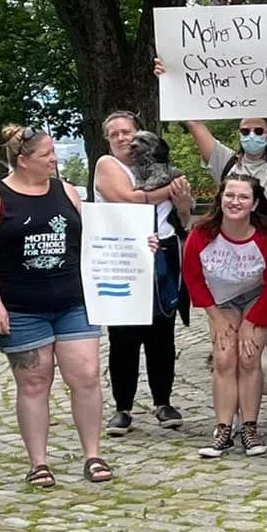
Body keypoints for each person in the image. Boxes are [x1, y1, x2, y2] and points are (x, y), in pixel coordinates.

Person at [155, 57, 267, 434]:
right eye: (244, 129)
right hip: (229, 267)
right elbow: (194, 122)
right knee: (230, 344)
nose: (250, 134)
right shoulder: (223, 161)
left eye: (258, 129)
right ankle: (233, 413)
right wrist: (171, 79)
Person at [0, 126, 113, 487]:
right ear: (23, 160)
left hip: (72, 302)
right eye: (47, 154)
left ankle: (93, 454)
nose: (55, 159)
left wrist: (137, 247)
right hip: (20, 306)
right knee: (34, 381)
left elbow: (92, 242)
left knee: (86, 376)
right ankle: (38, 461)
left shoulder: (65, 191)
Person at [91, 109, 195, 436]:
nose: (123, 138)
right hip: (124, 255)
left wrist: (182, 199)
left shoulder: (161, 166)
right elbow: (128, 200)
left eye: (128, 132)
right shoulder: (108, 166)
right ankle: (123, 407)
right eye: (115, 134)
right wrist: (171, 189)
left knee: (162, 332)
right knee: (124, 336)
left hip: (163, 249)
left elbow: (184, 213)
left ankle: (163, 402)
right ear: (107, 140)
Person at [181, 174, 267, 458]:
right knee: (224, 357)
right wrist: (213, 315)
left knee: (249, 355)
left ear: (253, 204)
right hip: (221, 298)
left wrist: (252, 322)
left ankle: (249, 428)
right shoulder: (201, 234)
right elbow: (192, 277)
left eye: (243, 197)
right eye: (229, 195)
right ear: (220, 199)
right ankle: (223, 428)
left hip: (260, 295)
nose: (235, 202)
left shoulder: (266, 236)